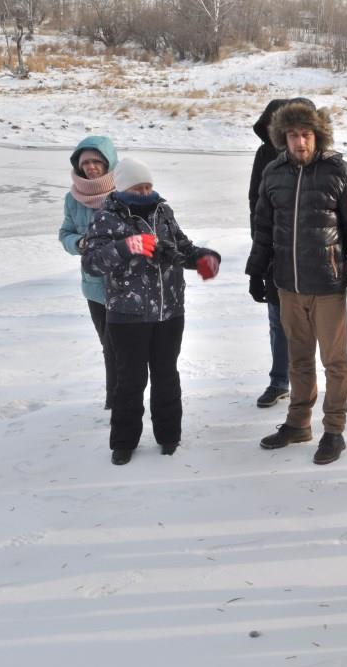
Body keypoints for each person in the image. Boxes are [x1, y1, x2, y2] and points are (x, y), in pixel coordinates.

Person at [245, 100, 347, 465]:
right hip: (287, 284)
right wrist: (257, 270)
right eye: (292, 135)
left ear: (318, 136)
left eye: (306, 134)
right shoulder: (274, 173)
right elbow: (264, 229)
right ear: (282, 138)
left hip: (328, 284)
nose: (299, 142)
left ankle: (334, 430)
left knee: (335, 362)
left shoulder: (339, 173)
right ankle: (298, 422)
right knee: (299, 359)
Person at [82, 158, 221, 465]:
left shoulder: (163, 211)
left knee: (167, 376)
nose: (145, 192)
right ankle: (123, 442)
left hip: (169, 312)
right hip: (126, 316)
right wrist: (125, 246)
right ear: (122, 188)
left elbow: (182, 248)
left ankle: (169, 436)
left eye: (148, 186)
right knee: (129, 381)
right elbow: (91, 262)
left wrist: (206, 258)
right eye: (137, 187)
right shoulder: (108, 216)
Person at [247, 99, 306, 409]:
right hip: (275, 255)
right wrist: (259, 262)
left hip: (313, 259)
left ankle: (341, 368)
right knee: (277, 320)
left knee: (318, 323)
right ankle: (279, 380)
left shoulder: (319, 159)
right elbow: (256, 208)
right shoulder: (265, 156)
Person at [58, 136, 119, 409]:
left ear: (108, 163)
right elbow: (66, 233)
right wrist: (79, 243)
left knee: (130, 345)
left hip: (128, 284)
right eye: (86, 163)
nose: (91, 167)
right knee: (109, 344)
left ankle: (132, 394)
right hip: (95, 286)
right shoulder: (72, 200)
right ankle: (114, 398)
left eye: (97, 161)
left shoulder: (126, 191)